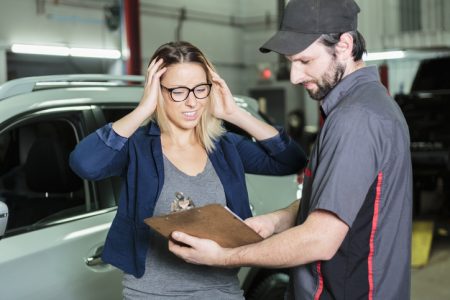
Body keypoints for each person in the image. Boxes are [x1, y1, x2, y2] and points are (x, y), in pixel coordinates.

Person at [168, 1, 413, 299]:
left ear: (345, 45)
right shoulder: (365, 106)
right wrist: (277, 220)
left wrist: (222, 257)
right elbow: (338, 198)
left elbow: (319, 240)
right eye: (291, 62)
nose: (295, 77)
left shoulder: (356, 119)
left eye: (305, 61)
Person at [69, 41, 306, 299]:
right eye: (178, 91)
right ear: (158, 92)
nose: (192, 102)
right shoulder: (137, 147)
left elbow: (292, 160)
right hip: (151, 294)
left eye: (199, 89)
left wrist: (235, 114)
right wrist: (142, 110)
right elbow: (85, 164)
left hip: (221, 291)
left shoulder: (224, 146)